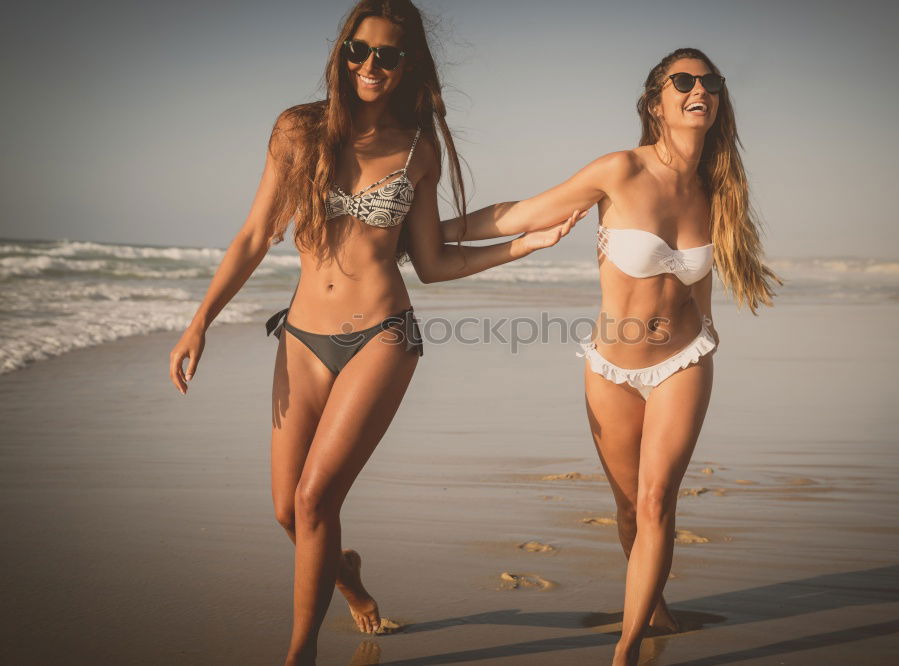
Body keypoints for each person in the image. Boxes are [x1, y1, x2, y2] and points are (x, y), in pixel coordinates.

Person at [167, 1, 581, 664]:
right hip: (302, 338)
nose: (370, 66)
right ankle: (351, 583)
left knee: (313, 499)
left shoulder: (417, 149)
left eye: (388, 55)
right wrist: (199, 323)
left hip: (383, 335)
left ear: (407, 63)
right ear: (342, 52)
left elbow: (434, 262)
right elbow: (251, 237)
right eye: (359, 51)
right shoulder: (297, 131)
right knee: (289, 512)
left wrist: (524, 244)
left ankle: (298, 654)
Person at [442, 47, 781, 666]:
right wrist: (432, 233)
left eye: (709, 82)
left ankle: (627, 648)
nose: (697, 88)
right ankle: (652, 608)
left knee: (655, 501)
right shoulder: (619, 170)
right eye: (683, 80)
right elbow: (517, 214)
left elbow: (699, 277)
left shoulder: (717, 188)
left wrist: (705, 332)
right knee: (628, 506)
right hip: (610, 368)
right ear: (656, 102)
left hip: (682, 361)